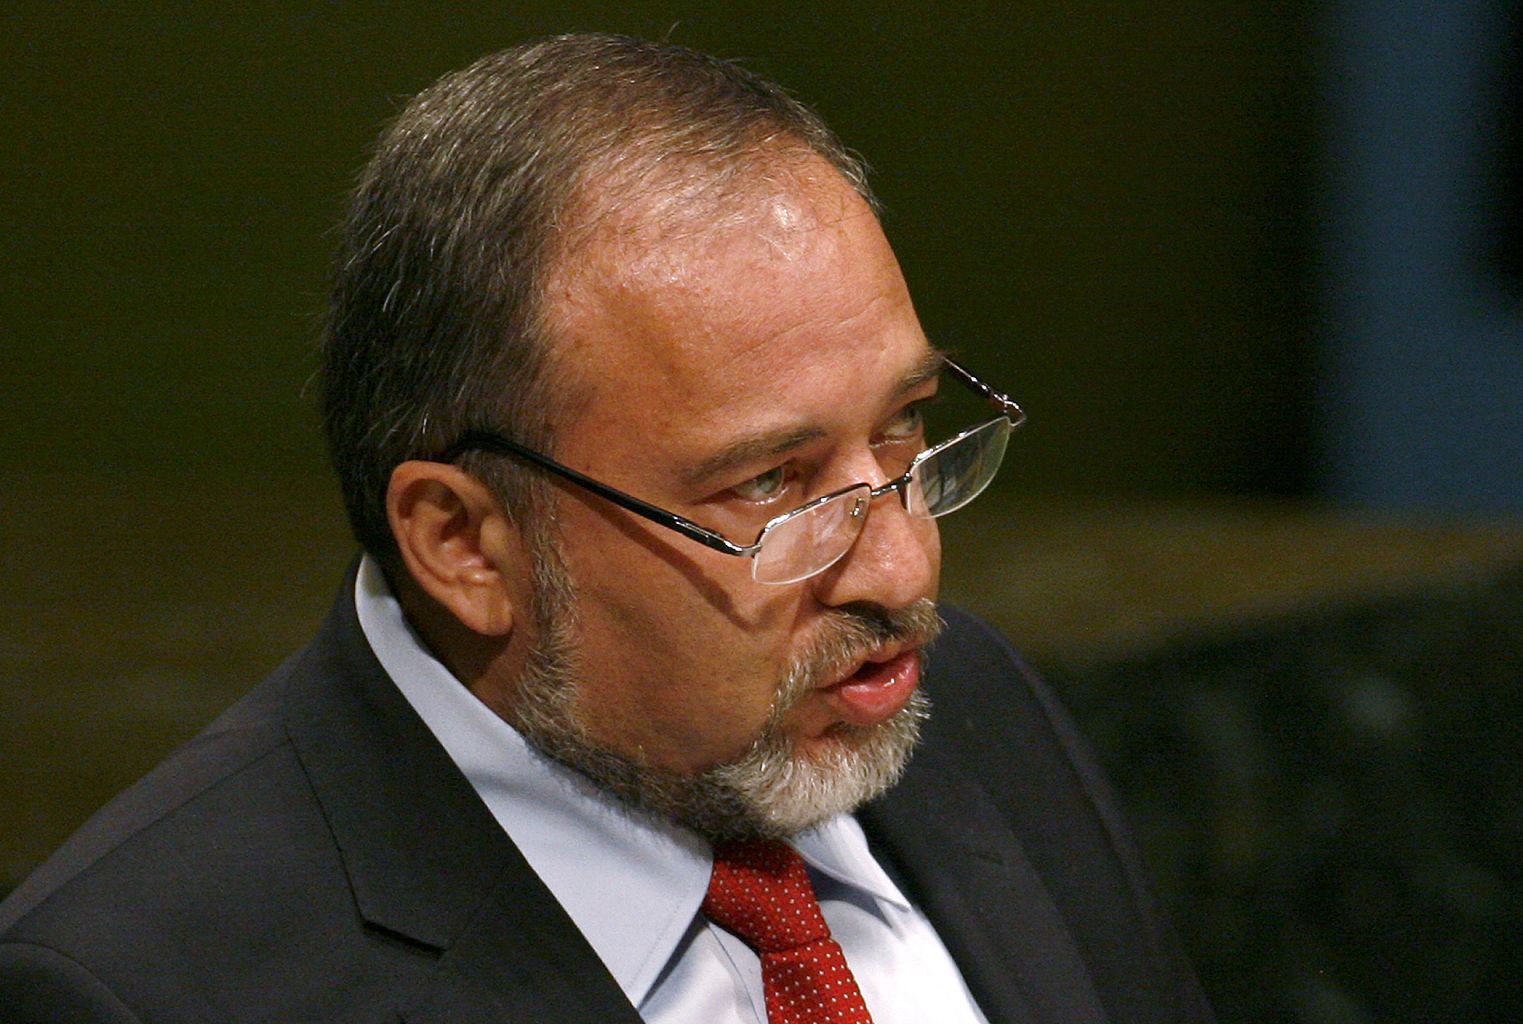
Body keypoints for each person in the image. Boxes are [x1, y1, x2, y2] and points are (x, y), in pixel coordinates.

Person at [0, 33, 1211, 1024]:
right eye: (771, 487)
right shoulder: (146, 988)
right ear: (465, 545)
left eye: (903, 428)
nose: (902, 565)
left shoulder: (972, 720)